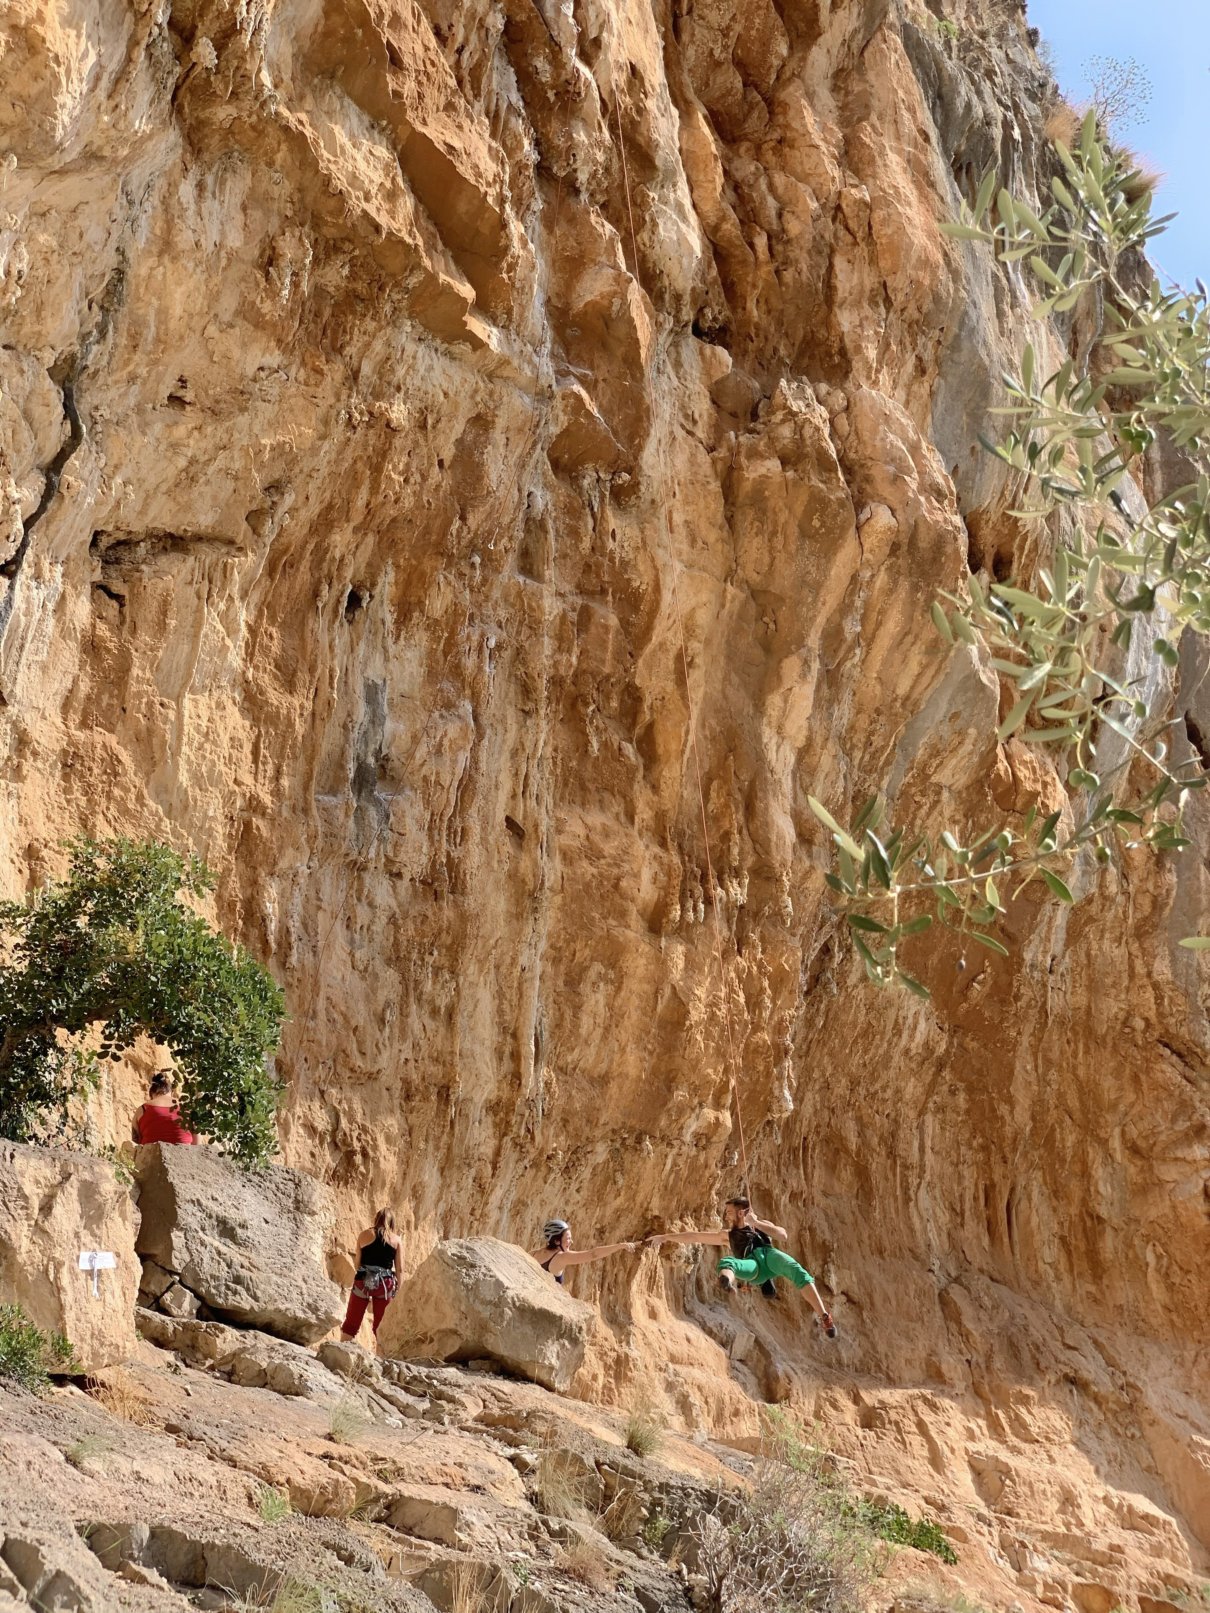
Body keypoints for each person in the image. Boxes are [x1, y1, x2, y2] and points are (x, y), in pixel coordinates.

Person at [647, 1196, 837, 1336]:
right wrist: (665, 1237)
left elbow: (783, 1235)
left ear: (740, 1212)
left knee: (797, 1271)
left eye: (729, 1211)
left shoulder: (759, 1224)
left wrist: (757, 1223)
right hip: (752, 1266)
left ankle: (824, 1316)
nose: (726, 1215)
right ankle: (727, 1281)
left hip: (769, 1257)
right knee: (729, 1263)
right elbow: (695, 1236)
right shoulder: (727, 1235)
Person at [340, 1208, 401, 1342]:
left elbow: (357, 1263)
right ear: (392, 1222)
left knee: (351, 1324)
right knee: (381, 1328)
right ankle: (381, 1360)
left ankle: (339, 1353)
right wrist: (399, 1289)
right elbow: (399, 1268)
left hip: (363, 1280)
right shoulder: (396, 1240)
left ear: (376, 1219)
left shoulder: (364, 1234)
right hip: (385, 1285)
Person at [530, 1219, 638, 1284]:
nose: (571, 1241)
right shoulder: (560, 1257)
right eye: (568, 1238)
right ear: (557, 1241)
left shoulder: (532, 1253)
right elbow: (593, 1254)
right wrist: (620, 1246)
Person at [131, 1072, 196, 1146]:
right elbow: (197, 1145)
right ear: (171, 1091)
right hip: (185, 1154)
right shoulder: (187, 1108)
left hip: (152, 1155)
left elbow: (136, 1144)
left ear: (151, 1093)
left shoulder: (142, 1109)